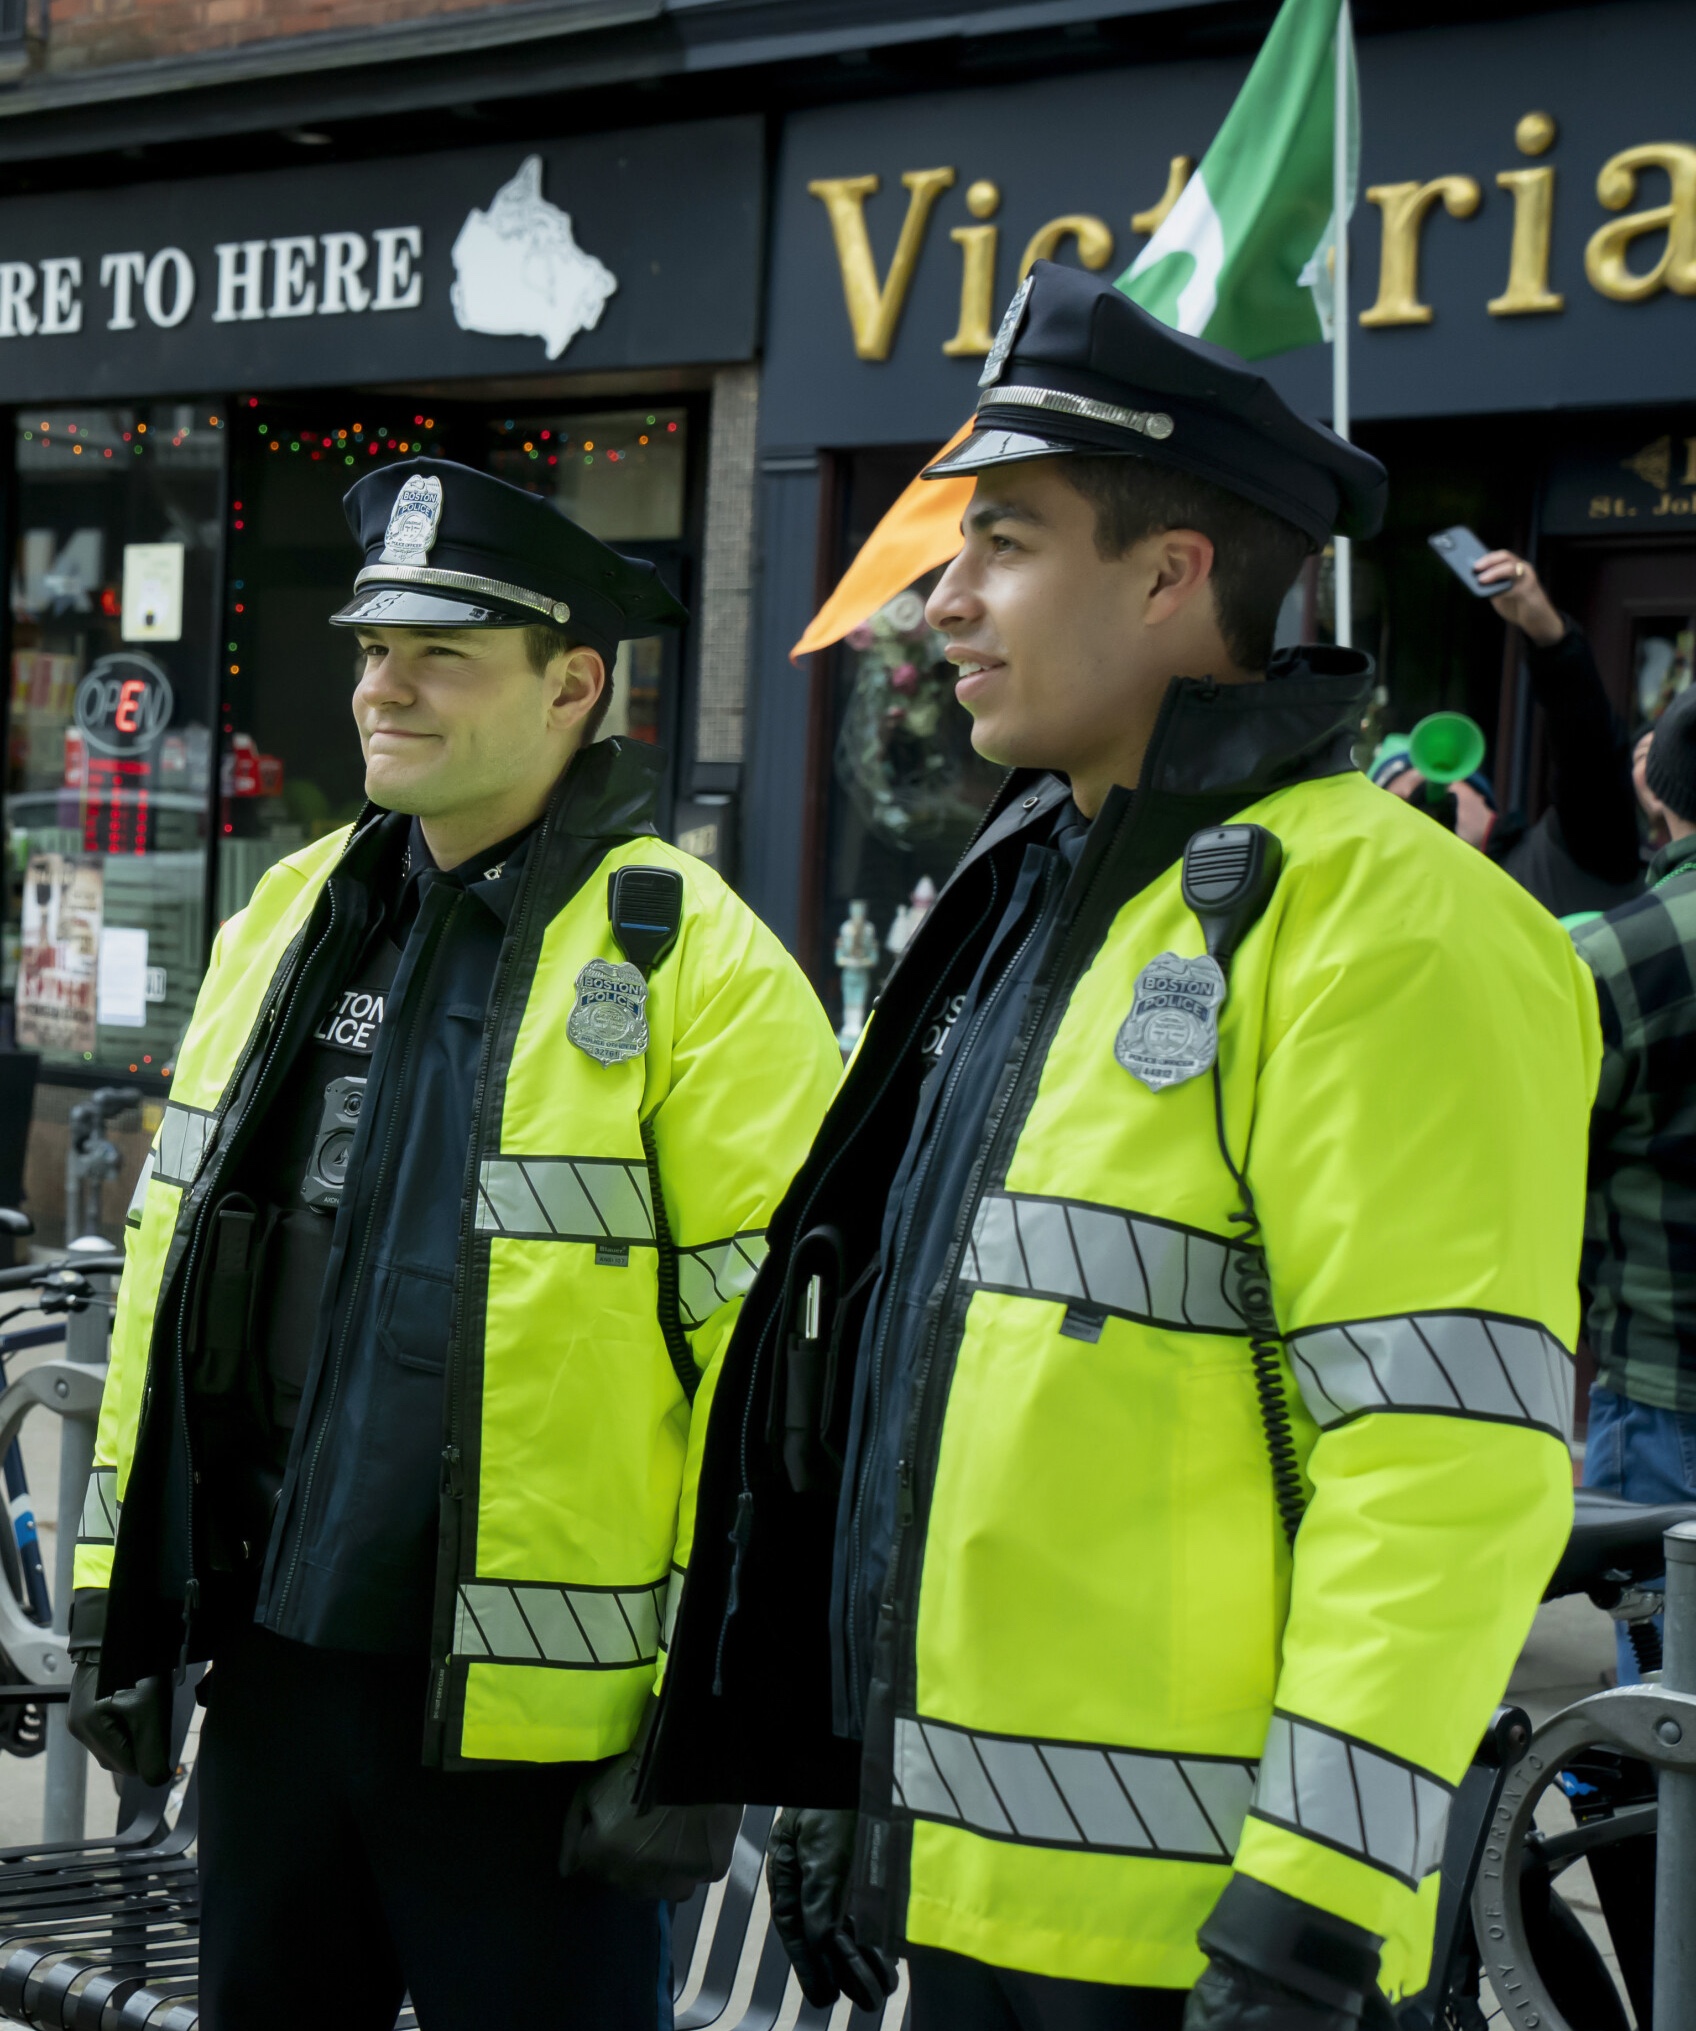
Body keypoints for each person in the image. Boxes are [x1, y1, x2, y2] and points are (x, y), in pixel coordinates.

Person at [647, 264, 1599, 2031]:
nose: (944, 600)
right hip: (974, 1902)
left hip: (1206, 1951)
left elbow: (1441, 1462)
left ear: (1170, 579)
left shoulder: (1394, 926)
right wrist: (837, 1791)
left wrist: (1305, 1916)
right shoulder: (1032, 893)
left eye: (1001, 542)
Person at [66, 459, 841, 2028]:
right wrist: (119, 1603)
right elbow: (170, 1279)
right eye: (371, 649)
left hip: (531, 1739)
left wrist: (706, 1720)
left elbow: (774, 1393)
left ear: (574, 683)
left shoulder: (703, 966)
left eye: (440, 654)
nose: (382, 687)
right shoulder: (286, 914)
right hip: (273, 1679)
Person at [1573, 681, 1696, 1682]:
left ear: (1659, 791)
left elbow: (1538, 1143)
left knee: (1668, 1696)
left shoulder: (1617, 954)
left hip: (1664, 1386)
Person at [1370, 549, 1642, 917]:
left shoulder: (1566, 853)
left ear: (1479, 793)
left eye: (1428, 780)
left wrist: (1550, 638)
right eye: (1403, 805)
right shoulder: (1419, 915)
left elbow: (1589, 756)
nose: (1424, 802)